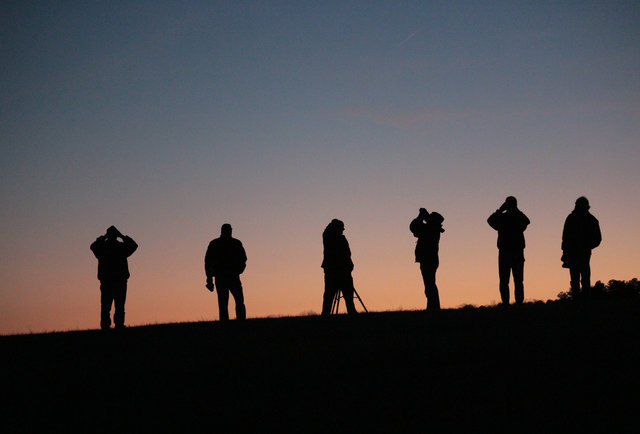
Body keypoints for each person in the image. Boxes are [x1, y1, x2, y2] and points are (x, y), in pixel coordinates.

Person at [90, 226, 138, 330]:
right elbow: (134, 245)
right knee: (117, 305)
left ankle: (107, 325)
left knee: (107, 306)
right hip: (116, 280)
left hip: (109, 281)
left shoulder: (103, 248)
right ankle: (117, 325)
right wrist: (121, 236)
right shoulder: (120, 247)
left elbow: (93, 246)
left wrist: (103, 237)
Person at [487, 196, 530, 306]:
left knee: (506, 280)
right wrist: (515, 210)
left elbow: (490, 220)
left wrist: (500, 210)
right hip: (515, 252)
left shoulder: (503, 218)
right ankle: (517, 304)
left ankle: (508, 304)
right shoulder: (516, 217)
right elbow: (527, 221)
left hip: (506, 252)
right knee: (516, 280)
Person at [562, 197, 602, 300]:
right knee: (578, 278)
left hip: (582, 252)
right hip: (575, 252)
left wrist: (587, 246)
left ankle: (584, 300)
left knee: (582, 277)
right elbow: (565, 237)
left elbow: (597, 239)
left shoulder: (589, 219)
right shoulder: (574, 218)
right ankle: (579, 300)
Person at [205, 224, 247, 321]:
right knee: (225, 304)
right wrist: (209, 279)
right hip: (224, 277)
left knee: (236, 302)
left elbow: (243, 259)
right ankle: (233, 325)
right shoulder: (217, 244)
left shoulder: (218, 243)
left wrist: (209, 279)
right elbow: (208, 262)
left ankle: (238, 324)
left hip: (230, 277)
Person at [410, 208, 445, 310]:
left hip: (428, 260)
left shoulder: (431, 229)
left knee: (429, 286)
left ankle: (433, 308)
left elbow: (413, 227)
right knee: (430, 285)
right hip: (430, 260)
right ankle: (433, 307)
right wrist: (423, 217)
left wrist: (420, 216)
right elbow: (415, 229)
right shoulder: (432, 228)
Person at [321, 219, 357, 316]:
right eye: (341, 229)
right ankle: (326, 315)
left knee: (346, 294)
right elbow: (347, 253)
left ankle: (351, 312)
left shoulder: (334, 238)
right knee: (330, 294)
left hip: (341, 270)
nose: (342, 231)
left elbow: (348, 254)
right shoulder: (330, 238)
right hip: (336, 271)